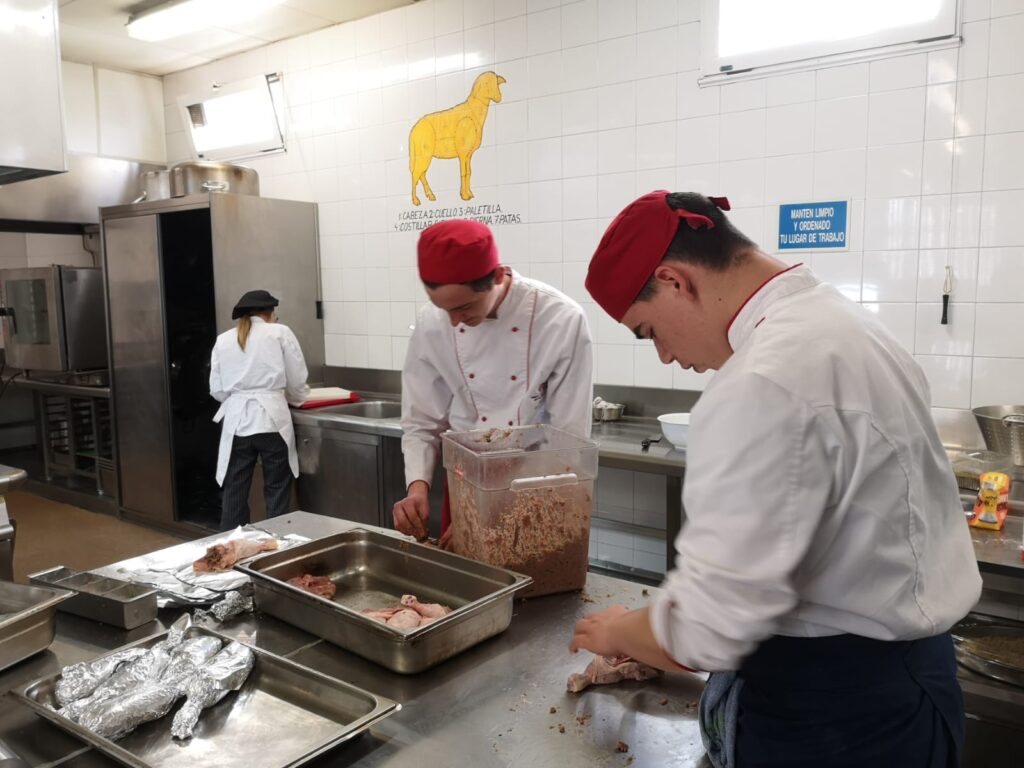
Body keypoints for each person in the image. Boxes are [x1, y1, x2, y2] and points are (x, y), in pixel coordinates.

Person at [570, 191, 982, 767]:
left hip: (835, 718)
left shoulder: (762, 381)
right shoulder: (847, 324)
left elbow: (708, 631)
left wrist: (621, 631)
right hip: (911, 682)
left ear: (674, 280)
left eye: (649, 331)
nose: (664, 355)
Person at [393, 219, 593, 545]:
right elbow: (420, 421)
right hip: (463, 482)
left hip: (539, 485)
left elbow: (567, 440)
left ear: (498, 277)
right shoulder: (431, 322)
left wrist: (494, 510)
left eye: (464, 307)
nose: (455, 321)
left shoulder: (560, 319)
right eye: (443, 309)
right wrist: (417, 487)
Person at [210, 290, 310, 530]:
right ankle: (276, 546)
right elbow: (296, 380)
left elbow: (217, 390)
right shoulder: (279, 332)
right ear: (269, 313)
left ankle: (231, 547)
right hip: (271, 422)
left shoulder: (223, 339)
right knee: (276, 488)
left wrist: (237, 399)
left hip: (236, 424)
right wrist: (297, 399)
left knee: (235, 488)